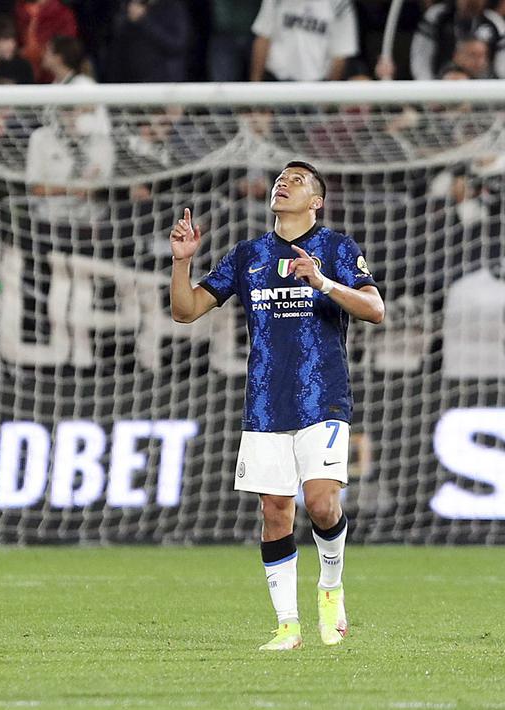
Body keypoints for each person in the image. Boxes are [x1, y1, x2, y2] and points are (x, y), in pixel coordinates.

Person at [169, 161, 384, 650]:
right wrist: (182, 262)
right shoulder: (249, 254)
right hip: (266, 402)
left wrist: (323, 283)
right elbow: (185, 311)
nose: (283, 183)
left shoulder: (337, 248)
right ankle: (288, 626)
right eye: (281, 178)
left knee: (322, 503)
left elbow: (375, 309)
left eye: (297, 180)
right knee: (274, 512)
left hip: (322, 396)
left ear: (317, 201)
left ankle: (330, 589)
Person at [250, 0, 359, 81]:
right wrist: (255, 85)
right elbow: (263, 37)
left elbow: (340, 54)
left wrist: (327, 98)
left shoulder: (340, 3)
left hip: (316, 86)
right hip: (276, 79)